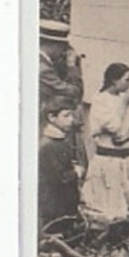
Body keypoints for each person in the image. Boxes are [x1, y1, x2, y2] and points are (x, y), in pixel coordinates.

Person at [81, 63, 129, 222]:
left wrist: (128, 136)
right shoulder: (101, 100)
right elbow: (114, 126)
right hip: (109, 160)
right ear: (114, 81)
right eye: (127, 80)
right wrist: (124, 104)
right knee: (110, 205)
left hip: (126, 159)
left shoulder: (123, 99)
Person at [38, 95, 81, 229]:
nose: (71, 120)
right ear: (52, 118)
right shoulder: (48, 146)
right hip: (54, 207)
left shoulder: (61, 140)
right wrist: (76, 172)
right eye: (66, 116)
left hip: (64, 204)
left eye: (71, 116)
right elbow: (58, 178)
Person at [39, 20, 83, 112]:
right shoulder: (44, 70)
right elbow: (74, 93)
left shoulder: (38, 61)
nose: (64, 52)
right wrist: (73, 66)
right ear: (55, 45)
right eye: (64, 47)